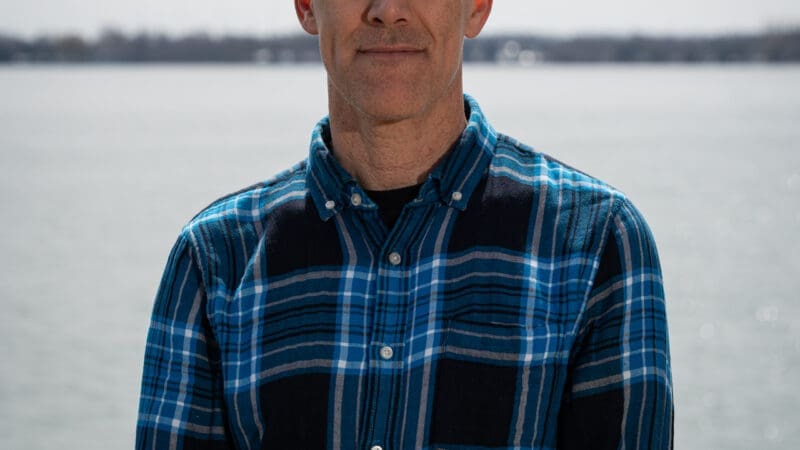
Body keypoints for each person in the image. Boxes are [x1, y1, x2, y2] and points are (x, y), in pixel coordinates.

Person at [136, 1, 674, 449]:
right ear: (306, 6)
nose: (388, 10)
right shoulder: (215, 260)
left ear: (477, 7)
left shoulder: (595, 243)